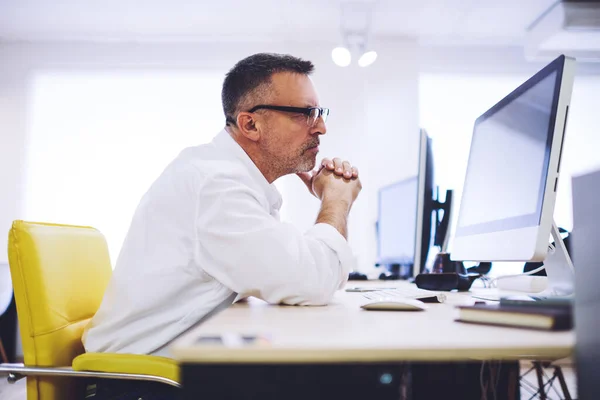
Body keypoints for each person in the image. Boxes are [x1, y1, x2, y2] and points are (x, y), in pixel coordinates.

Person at [81, 53, 361, 399]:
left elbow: (298, 275)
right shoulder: (217, 185)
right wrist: (337, 200)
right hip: (140, 385)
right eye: (304, 114)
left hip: (159, 371)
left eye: (319, 113)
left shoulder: (227, 177)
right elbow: (313, 282)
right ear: (250, 125)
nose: (320, 127)